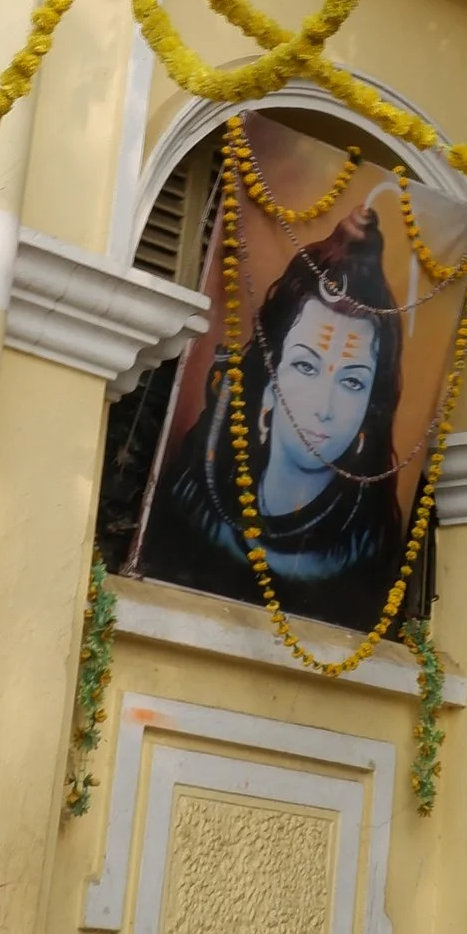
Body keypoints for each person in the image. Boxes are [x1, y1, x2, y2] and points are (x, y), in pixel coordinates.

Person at [141, 208, 409, 628]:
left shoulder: (367, 544)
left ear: (369, 415)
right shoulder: (197, 493)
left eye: (353, 382)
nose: (325, 405)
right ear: (268, 385)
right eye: (306, 367)